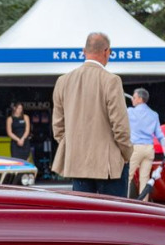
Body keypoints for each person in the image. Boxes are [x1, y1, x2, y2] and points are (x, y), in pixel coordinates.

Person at [51, 32, 132, 195]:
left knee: (82, 211)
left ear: (83, 51)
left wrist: (73, 147)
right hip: (108, 166)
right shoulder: (111, 80)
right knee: (113, 210)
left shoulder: (63, 81)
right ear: (107, 51)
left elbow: (58, 127)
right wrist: (127, 153)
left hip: (77, 164)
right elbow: (120, 126)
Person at [127, 88, 165, 200]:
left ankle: (123, 203)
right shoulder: (154, 114)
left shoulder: (130, 112)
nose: (132, 99)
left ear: (140, 99)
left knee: (127, 176)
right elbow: (159, 135)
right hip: (149, 149)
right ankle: (143, 204)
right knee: (144, 178)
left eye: (134, 97)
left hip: (136, 148)